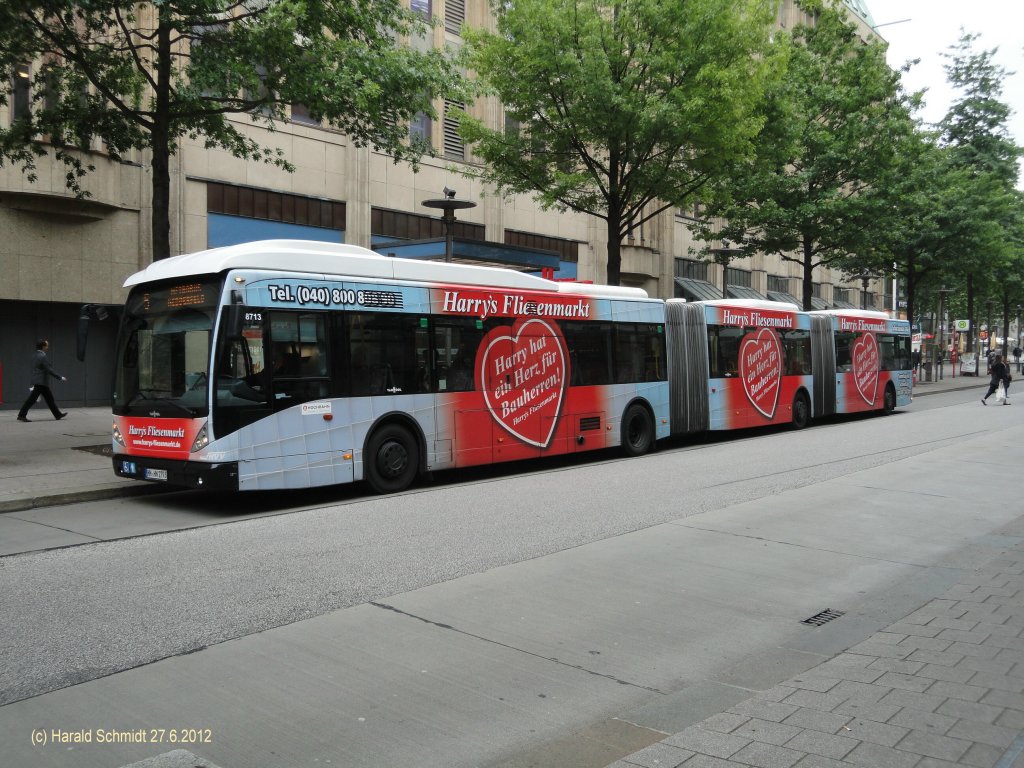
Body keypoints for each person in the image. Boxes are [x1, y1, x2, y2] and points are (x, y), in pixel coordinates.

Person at [17, 339, 68, 421]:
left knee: (49, 399)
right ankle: (21, 415)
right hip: (41, 382)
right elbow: (49, 369)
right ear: (43, 346)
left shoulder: (34, 355)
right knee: (32, 400)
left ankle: (58, 414)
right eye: (47, 345)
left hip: (39, 381)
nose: (48, 347)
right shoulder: (43, 356)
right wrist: (60, 377)